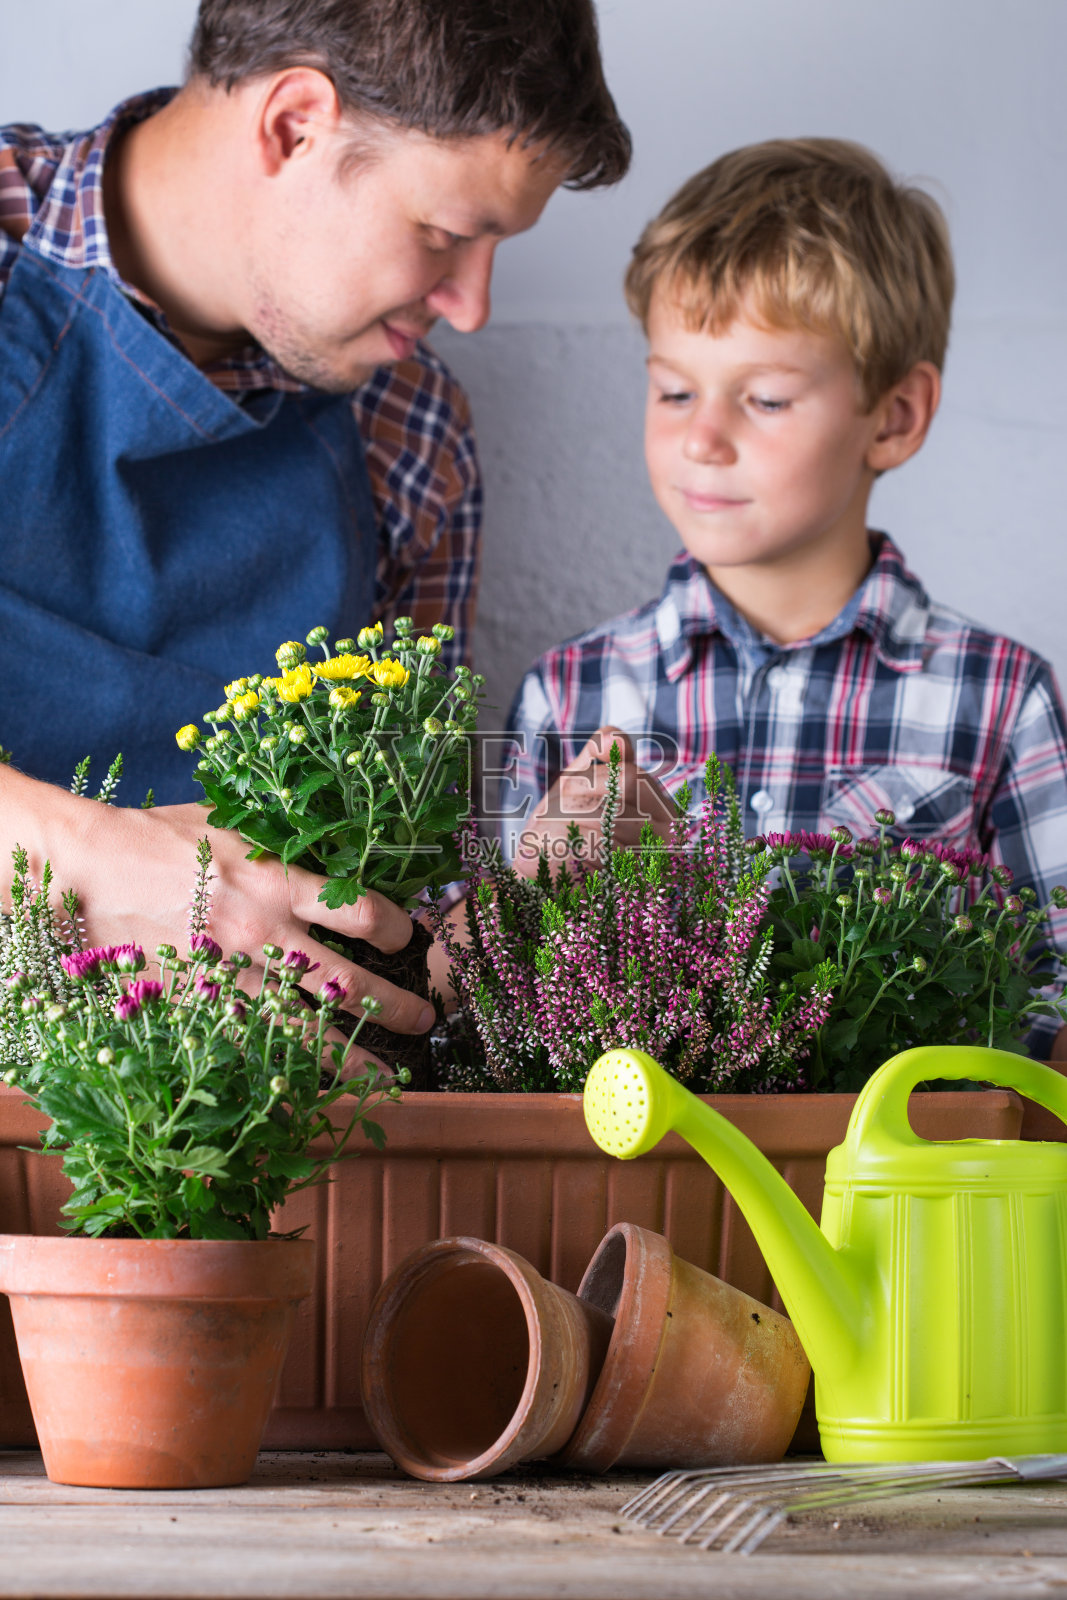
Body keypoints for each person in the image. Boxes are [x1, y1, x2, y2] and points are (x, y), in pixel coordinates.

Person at [0, 0, 630, 1057]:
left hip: (237, 1142)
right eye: (443, 233)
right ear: (293, 124)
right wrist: (93, 855)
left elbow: (400, 905)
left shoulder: (410, 430)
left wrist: (520, 908)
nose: (470, 305)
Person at [501, 138, 1067, 1059]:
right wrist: (540, 885)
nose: (702, 440)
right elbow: (484, 1010)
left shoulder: (1000, 699)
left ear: (892, 418)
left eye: (763, 399)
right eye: (674, 391)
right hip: (638, 1189)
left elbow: (1055, 1014)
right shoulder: (569, 696)